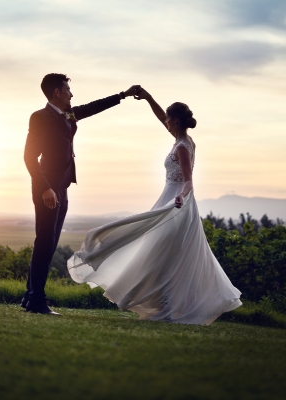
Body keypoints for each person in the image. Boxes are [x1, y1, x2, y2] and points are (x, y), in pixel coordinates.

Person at [67, 87, 242, 325]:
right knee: (162, 256)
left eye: (169, 120)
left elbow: (189, 180)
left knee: (162, 255)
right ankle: (164, 308)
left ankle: (166, 310)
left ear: (176, 121)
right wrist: (148, 98)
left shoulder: (182, 146)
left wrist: (180, 196)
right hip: (172, 201)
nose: (165, 123)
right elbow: (162, 118)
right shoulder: (185, 139)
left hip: (176, 205)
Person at [23, 73, 140, 315]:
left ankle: (30, 297)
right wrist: (45, 188)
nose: (71, 94)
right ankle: (36, 301)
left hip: (62, 188)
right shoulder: (40, 117)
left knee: (48, 244)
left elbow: (92, 108)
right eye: (68, 90)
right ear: (57, 92)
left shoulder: (68, 114)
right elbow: (29, 156)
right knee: (44, 244)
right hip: (47, 189)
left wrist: (122, 95)